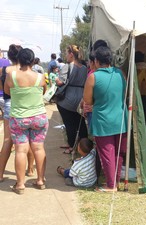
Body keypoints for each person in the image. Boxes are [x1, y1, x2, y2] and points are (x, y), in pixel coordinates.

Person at [83, 46, 128, 192]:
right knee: (118, 152)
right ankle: (116, 181)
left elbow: (87, 101)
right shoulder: (120, 73)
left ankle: (111, 185)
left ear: (96, 61)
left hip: (103, 120)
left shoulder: (93, 77)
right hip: (121, 119)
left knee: (107, 153)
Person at [4, 48, 48, 194]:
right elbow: (43, 91)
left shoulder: (11, 76)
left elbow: (7, 91)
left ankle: (20, 184)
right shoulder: (40, 77)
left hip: (19, 119)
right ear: (32, 59)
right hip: (39, 117)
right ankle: (40, 180)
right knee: (39, 148)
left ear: (19, 59)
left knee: (20, 150)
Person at [0, 44, 35, 182]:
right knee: (30, 139)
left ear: (9, 56)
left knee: (7, 140)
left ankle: (1, 173)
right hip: (26, 106)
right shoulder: (26, 71)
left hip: (9, 104)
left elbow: (3, 90)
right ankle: (31, 169)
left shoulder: (4, 70)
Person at [56, 45, 88, 154]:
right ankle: (84, 144)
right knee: (80, 122)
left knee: (69, 123)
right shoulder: (84, 68)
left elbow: (61, 82)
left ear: (71, 54)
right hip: (80, 97)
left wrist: (56, 79)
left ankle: (71, 145)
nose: (66, 56)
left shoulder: (68, 66)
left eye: (66, 53)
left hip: (68, 98)